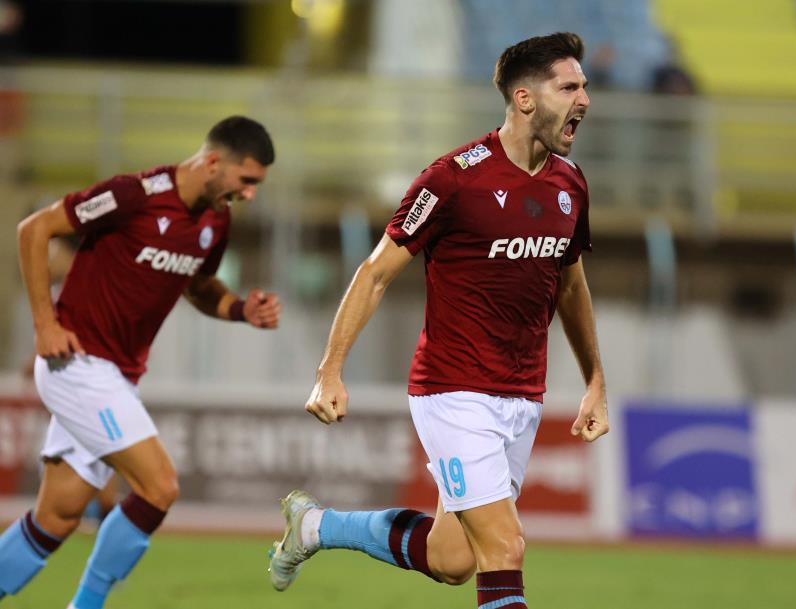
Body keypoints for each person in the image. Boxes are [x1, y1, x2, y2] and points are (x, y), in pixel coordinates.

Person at [269, 33, 609, 609]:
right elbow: (375, 273)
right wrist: (330, 370)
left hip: (522, 397)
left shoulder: (570, 184)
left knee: (452, 559)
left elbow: (571, 285)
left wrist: (595, 379)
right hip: (454, 392)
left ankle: (314, 527)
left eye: (584, 87)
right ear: (525, 99)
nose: (585, 99)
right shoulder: (452, 178)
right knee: (505, 548)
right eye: (569, 87)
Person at [0, 115, 279, 609]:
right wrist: (45, 324)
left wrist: (240, 310)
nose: (250, 194)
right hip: (78, 364)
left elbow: (198, 286)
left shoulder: (216, 221)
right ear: (214, 162)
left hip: (116, 378)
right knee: (159, 486)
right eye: (246, 180)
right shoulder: (134, 195)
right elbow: (34, 229)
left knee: (57, 517)